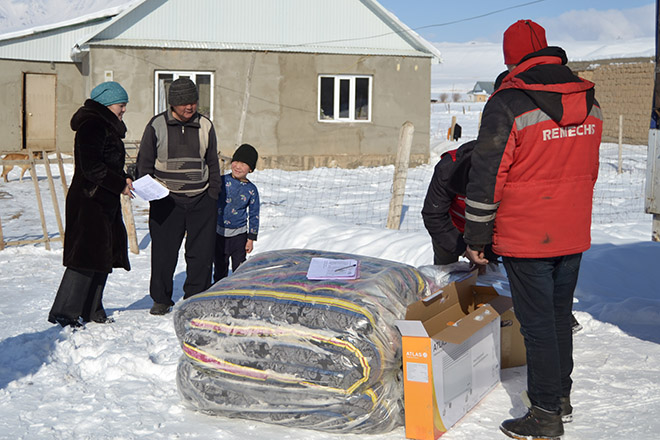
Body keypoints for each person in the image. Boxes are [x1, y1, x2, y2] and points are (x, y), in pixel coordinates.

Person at [462, 20, 602, 439]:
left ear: (511, 56)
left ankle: (543, 414)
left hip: (527, 232)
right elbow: (587, 165)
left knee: (536, 323)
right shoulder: (588, 96)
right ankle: (559, 396)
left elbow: (488, 173)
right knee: (559, 316)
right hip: (571, 227)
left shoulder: (508, 102)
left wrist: (477, 234)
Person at [48, 81, 133, 328]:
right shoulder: (92, 125)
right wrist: (119, 185)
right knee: (84, 257)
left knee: (102, 255)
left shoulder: (106, 125)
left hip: (103, 200)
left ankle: (92, 308)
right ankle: (64, 311)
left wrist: (124, 178)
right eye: (121, 105)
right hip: (89, 200)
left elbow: (109, 164)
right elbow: (92, 166)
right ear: (107, 104)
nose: (124, 109)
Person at [136, 78, 221, 315]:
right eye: (184, 103)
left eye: (193, 102)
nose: (190, 107)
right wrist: (152, 193)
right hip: (167, 201)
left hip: (201, 199)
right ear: (173, 103)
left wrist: (213, 193)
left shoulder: (205, 125)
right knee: (164, 253)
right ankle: (161, 299)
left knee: (201, 253)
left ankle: (195, 296)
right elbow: (144, 165)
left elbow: (213, 160)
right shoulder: (156, 126)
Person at [213, 143, 260, 282]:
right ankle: (218, 294)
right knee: (220, 268)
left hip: (239, 236)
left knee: (239, 269)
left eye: (244, 164)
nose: (238, 166)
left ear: (250, 169)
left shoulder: (251, 190)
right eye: (236, 161)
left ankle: (238, 293)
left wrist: (251, 238)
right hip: (219, 233)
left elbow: (254, 214)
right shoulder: (221, 182)